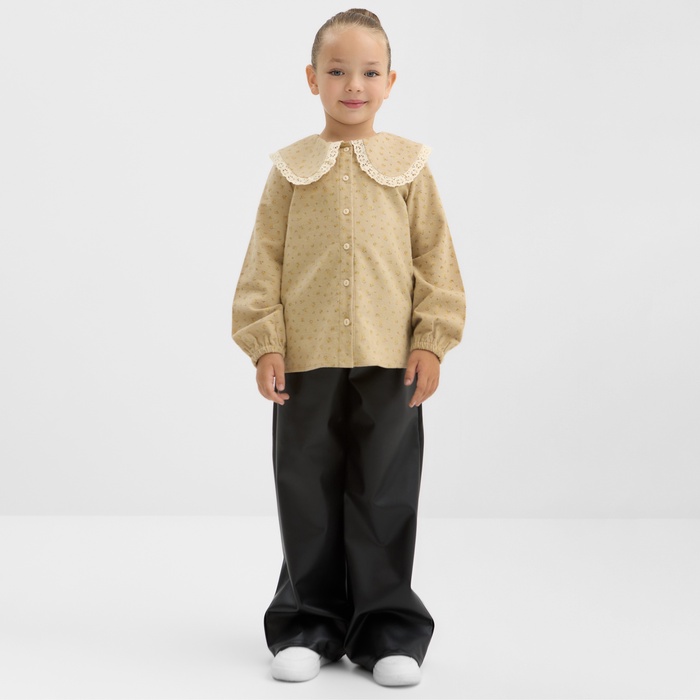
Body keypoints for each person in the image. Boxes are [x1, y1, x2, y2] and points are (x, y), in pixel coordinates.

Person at [230, 7, 466, 688]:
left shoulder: (410, 168)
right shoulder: (290, 170)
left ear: (390, 81)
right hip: (305, 361)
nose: (353, 85)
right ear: (312, 78)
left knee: (384, 492)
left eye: (368, 72)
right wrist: (265, 343)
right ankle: (308, 623)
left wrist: (432, 341)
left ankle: (387, 629)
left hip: (392, 360)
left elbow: (435, 259)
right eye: (337, 71)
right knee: (306, 490)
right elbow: (264, 261)